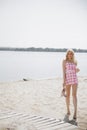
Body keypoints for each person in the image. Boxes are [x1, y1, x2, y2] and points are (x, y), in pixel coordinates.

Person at [62, 49, 80, 120]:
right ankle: (68, 110)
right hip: (67, 80)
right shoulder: (64, 61)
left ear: (73, 54)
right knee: (68, 96)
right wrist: (63, 81)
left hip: (74, 79)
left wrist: (77, 70)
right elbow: (64, 72)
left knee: (74, 95)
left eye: (71, 54)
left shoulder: (75, 61)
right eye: (69, 53)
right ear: (67, 54)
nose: (70, 55)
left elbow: (74, 71)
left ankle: (75, 112)